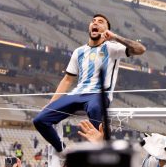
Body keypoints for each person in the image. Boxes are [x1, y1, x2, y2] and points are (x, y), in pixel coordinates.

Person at [33, 14, 146, 153]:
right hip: (77, 94)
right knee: (40, 120)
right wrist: (51, 103)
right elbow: (67, 79)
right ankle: (62, 151)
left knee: (94, 109)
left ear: (107, 30)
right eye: (93, 21)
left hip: (98, 94)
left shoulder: (113, 47)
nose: (95, 23)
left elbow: (141, 49)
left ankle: (98, 151)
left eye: (100, 22)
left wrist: (115, 37)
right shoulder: (78, 52)